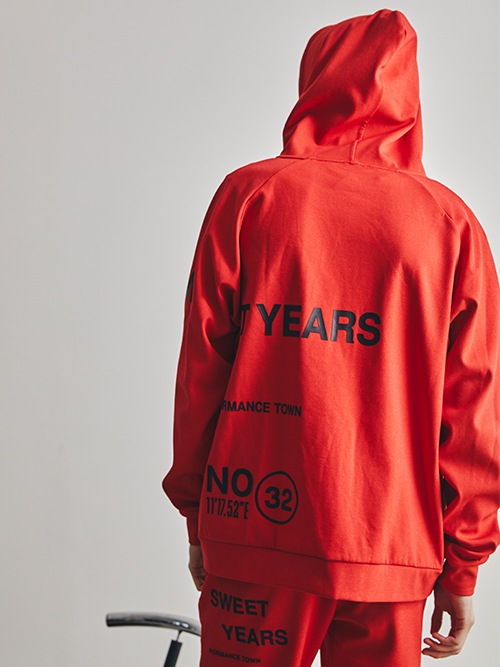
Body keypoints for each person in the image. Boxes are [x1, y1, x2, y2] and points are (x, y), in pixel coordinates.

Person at [162, 9, 499, 666]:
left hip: (255, 525)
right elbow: (473, 412)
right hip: (390, 543)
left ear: (313, 81)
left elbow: (201, 370)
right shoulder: (450, 226)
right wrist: (463, 566)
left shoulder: (249, 197)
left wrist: (199, 511)